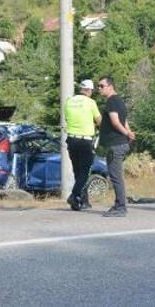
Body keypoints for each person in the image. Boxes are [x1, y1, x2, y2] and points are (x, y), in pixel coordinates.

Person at [97, 76, 135, 218]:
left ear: (110, 86)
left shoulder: (112, 101)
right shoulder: (120, 101)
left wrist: (126, 134)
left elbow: (115, 122)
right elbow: (124, 121)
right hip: (120, 143)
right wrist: (129, 133)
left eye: (101, 86)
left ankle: (120, 207)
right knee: (116, 176)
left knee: (116, 176)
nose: (99, 88)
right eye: (98, 86)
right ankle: (119, 204)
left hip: (115, 144)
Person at [63, 79, 102, 211]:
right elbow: (99, 120)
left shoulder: (68, 101)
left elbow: (68, 120)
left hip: (71, 140)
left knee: (77, 172)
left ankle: (81, 201)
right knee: (84, 173)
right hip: (85, 141)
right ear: (89, 90)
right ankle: (74, 196)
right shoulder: (91, 103)